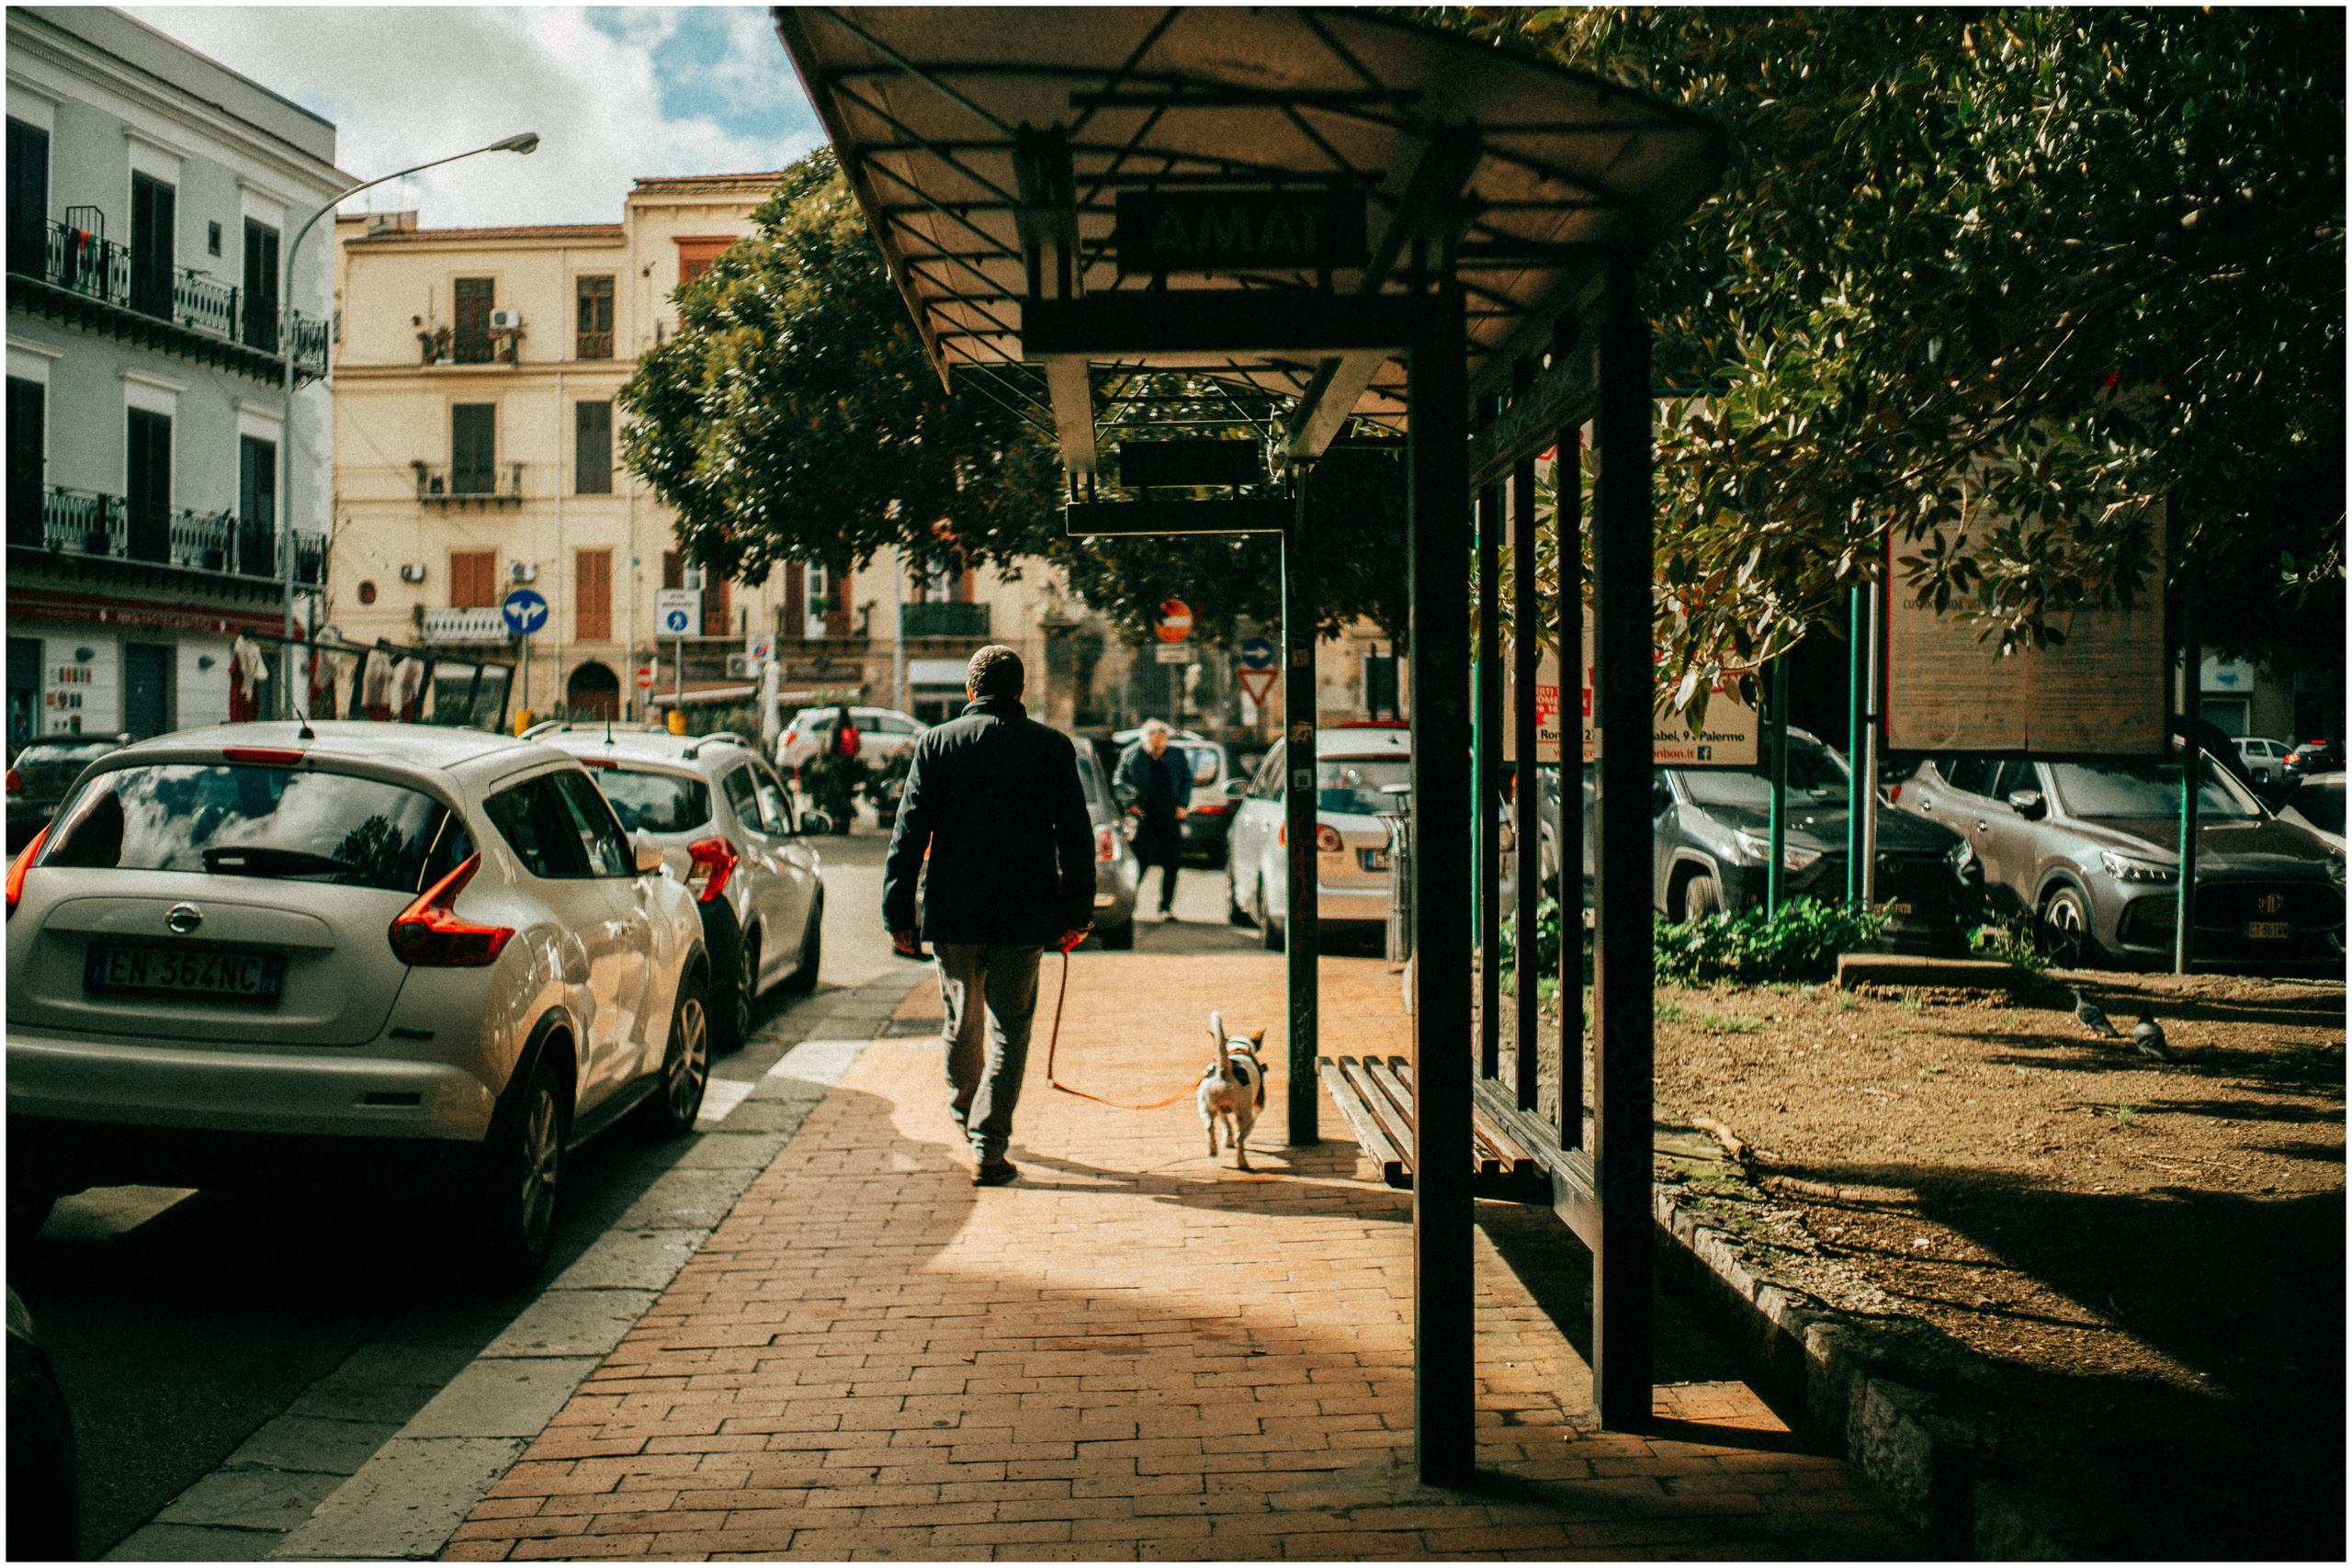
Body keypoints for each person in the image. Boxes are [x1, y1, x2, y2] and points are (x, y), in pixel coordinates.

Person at [882, 646, 1093, 1186]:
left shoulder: (936, 744)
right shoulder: (1052, 748)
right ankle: (989, 1143)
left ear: (970, 692)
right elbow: (1076, 838)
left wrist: (898, 912)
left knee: (961, 1019)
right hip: (1024, 913)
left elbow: (908, 835)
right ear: (1021, 691)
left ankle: (965, 1117)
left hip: (954, 910)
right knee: (1011, 1029)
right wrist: (1077, 912)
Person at [1116, 718, 1191, 920]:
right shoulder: (1131, 755)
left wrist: (1183, 804)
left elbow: (1186, 780)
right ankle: (1128, 907)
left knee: (1172, 863)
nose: (1160, 750)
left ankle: (1165, 908)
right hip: (1144, 818)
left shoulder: (1176, 755)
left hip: (1169, 817)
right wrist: (1128, 804)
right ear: (1145, 741)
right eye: (1155, 746)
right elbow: (1119, 780)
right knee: (1141, 862)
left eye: (1163, 744)